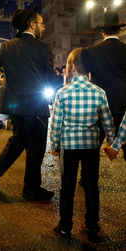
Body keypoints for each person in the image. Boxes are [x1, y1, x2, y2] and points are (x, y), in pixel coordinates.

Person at [0, 5, 55, 200]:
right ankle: (31, 189)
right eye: (41, 24)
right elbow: (51, 78)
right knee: (36, 148)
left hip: (15, 107)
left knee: (19, 140)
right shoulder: (42, 48)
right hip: (36, 107)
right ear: (32, 25)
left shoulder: (6, 47)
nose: (44, 28)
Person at [50, 48, 116, 244]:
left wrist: (55, 144)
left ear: (71, 67)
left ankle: (65, 228)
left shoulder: (62, 93)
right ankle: (92, 227)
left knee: (67, 186)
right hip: (91, 146)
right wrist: (112, 142)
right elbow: (107, 121)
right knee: (91, 185)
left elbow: (56, 123)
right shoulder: (99, 92)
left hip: (69, 147)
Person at [88, 10, 126, 160]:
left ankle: (88, 180)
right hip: (122, 105)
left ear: (103, 32)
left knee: (93, 146)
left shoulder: (92, 51)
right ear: (119, 29)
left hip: (99, 105)